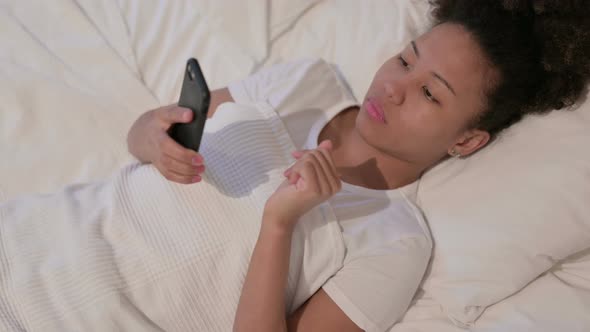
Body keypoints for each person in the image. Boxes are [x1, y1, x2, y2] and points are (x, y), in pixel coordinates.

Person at [1, 1, 589, 331]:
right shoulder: (306, 81)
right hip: (23, 239)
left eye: (431, 94)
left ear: (466, 142)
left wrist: (279, 225)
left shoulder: (395, 244)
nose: (396, 86)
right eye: (406, 58)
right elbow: (150, 137)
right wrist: (150, 139)